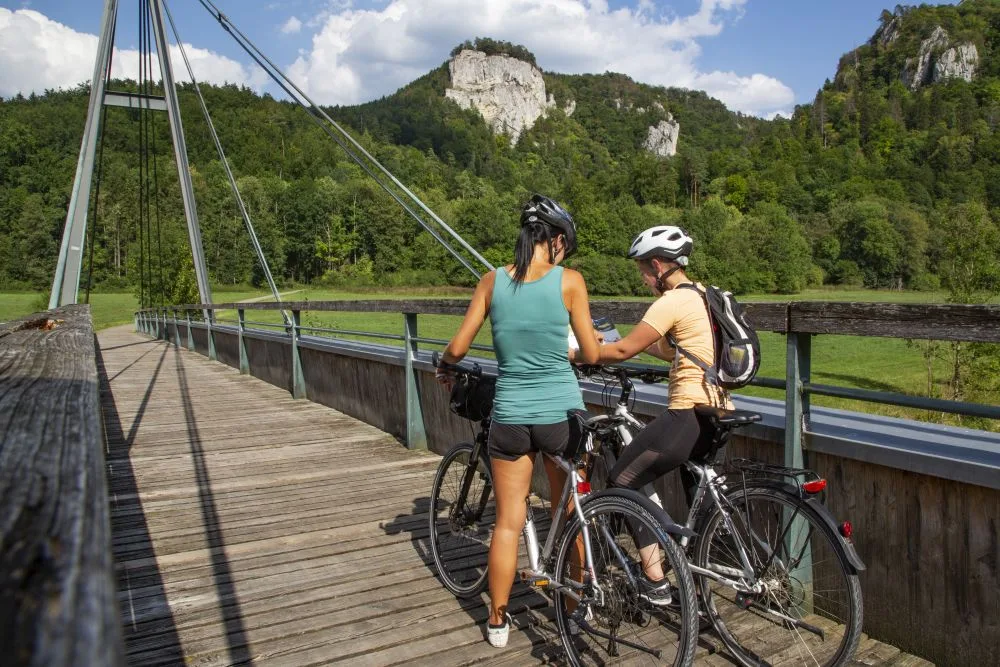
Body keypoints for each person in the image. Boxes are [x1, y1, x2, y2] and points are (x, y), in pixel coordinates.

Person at [437, 194, 600, 648]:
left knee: (509, 520)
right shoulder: (571, 283)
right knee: (568, 510)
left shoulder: (491, 281)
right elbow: (589, 353)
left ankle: (497, 620)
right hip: (561, 415)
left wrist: (446, 366)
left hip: (509, 416)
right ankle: (574, 604)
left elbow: (459, 346)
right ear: (557, 241)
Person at [569, 224, 732, 602]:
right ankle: (701, 584)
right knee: (699, 495)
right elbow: (669, 350)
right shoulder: (705, 296)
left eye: (643, 270)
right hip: (718, 410)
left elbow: (624, 351)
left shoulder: (671, 300)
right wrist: (621, 344)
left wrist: (579, 353)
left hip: (688, 411)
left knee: (622, 478)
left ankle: (656, 577)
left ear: (658, 266)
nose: (643, 279)